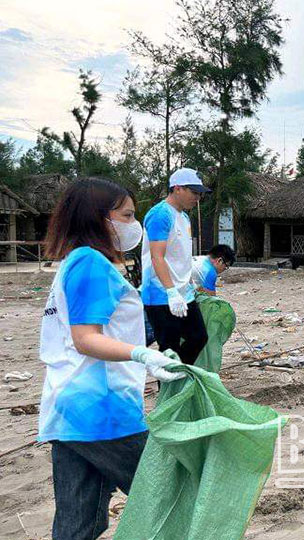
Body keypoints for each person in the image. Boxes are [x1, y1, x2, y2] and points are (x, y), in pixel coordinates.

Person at [39, 178, 185, 540]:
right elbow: (86, 338)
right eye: (127, 215)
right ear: (100, 218)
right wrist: (142, 355)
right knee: (170, 492)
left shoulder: (76, 261)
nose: (134, 224)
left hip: (68, 409)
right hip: (102, 409)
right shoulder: (91, 264)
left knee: (79, 523)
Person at [141, 167, 211, 365]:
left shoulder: (184, 217)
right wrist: (171, 291)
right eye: (194, 192)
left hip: (184, 292)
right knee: (169, 348)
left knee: (198, 337)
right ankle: (170, 389)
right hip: (162, 294)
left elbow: (180, 255)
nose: (197, 198)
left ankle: (180, 376)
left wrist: (188, 281)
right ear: (177, 188)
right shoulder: (160, 214)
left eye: (199, 194)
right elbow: (157, 256)